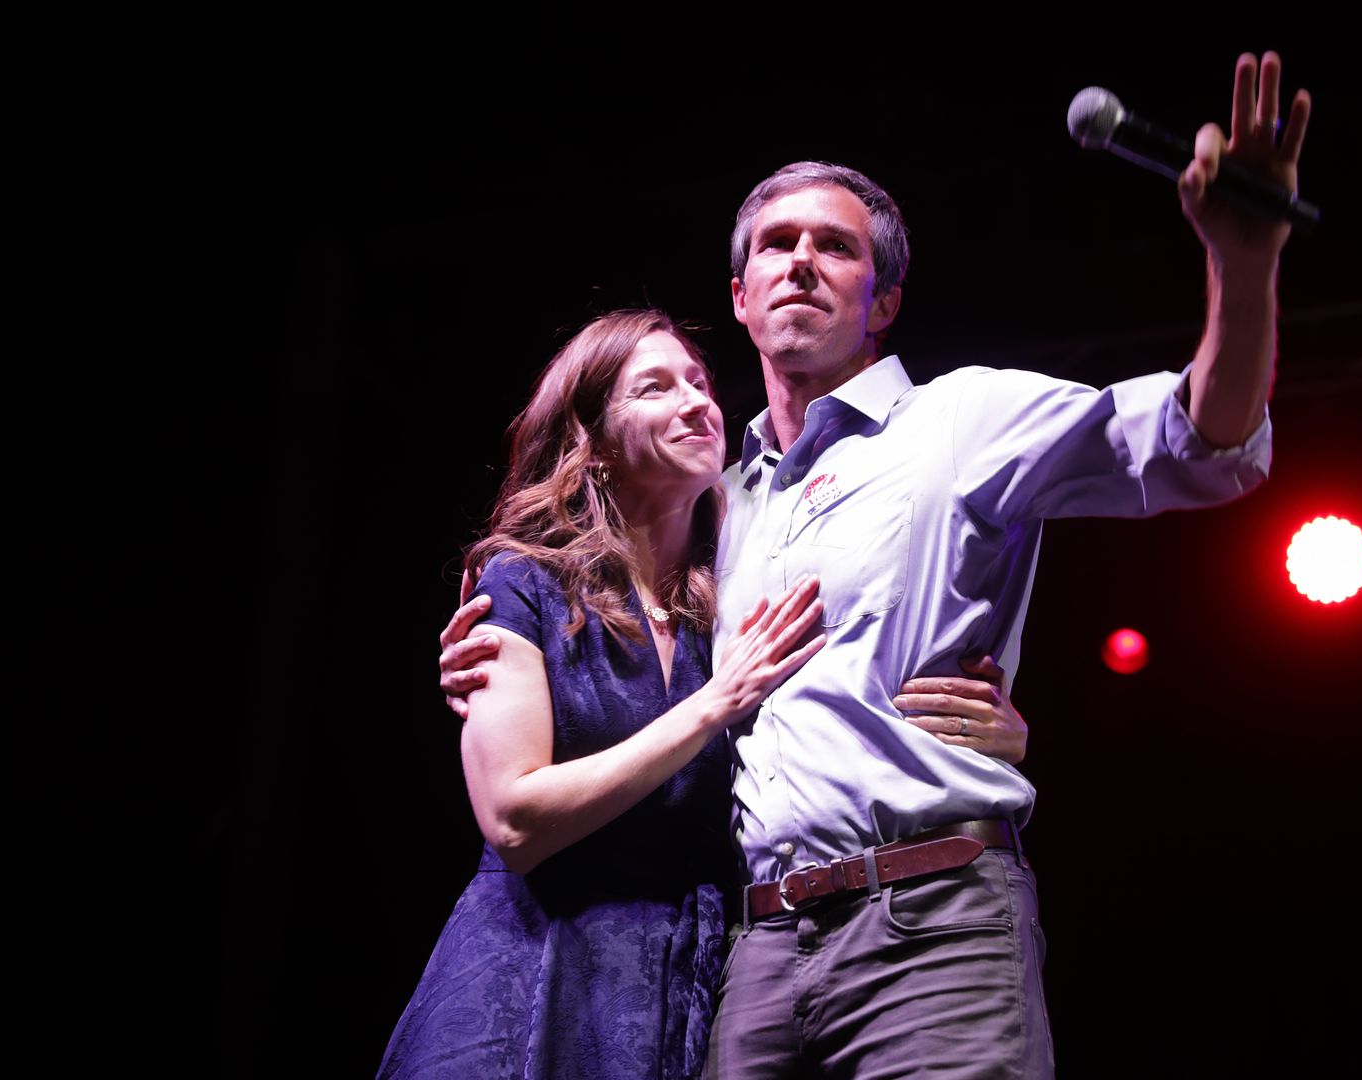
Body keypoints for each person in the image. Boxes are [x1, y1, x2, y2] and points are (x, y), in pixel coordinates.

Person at [442, 50, 1308, 1078]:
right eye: (776, 245)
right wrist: (515, 623)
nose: (800, 261)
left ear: (883, 300)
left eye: (835, 248)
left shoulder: (962, 418)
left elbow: (1199, 443)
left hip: (928, 923)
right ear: (742, 292)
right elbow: (624, 631)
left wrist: (1241, 265)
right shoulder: (719, 498)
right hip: (754, 955)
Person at [378, 309, 1029, 1080]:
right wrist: (713, 704)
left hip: (691, 989)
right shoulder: (527, 584)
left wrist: (989, 727)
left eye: (699, 381)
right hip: (540, 978)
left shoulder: (728, 599)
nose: (697, 401)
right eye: (654, 387)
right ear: (593, 442)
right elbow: (515, 822)